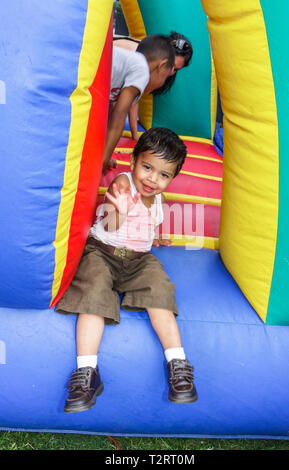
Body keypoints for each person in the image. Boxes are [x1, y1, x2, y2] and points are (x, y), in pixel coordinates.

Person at [56, 127, 198, 413]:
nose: (152, 179)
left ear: (172, 178)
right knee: (93, 291)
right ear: (133, 161)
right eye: (147, 167)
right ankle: (87, 373)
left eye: (163, 175)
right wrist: (118, 210)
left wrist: (156, 237)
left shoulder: (159, 199)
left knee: (159, 289)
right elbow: (109, 226)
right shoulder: (122, 185)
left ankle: (178, 363)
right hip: (103, 252)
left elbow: (148, 223)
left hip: (138, 260)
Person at [103, 34, 175, 174]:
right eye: (165, 77)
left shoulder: (131, 68)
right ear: (162, 65)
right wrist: (103, 161)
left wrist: (105, 153)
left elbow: (110, 116)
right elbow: (118, 117)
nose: (161, 84)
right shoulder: (142, 69)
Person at [113, 31, 193, 140]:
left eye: (176, 70)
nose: (171, 72)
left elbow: (134, 100)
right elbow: (119, 109)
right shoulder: (142, 58)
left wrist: (135, 136)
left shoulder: (148, 57)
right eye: (172, 66)